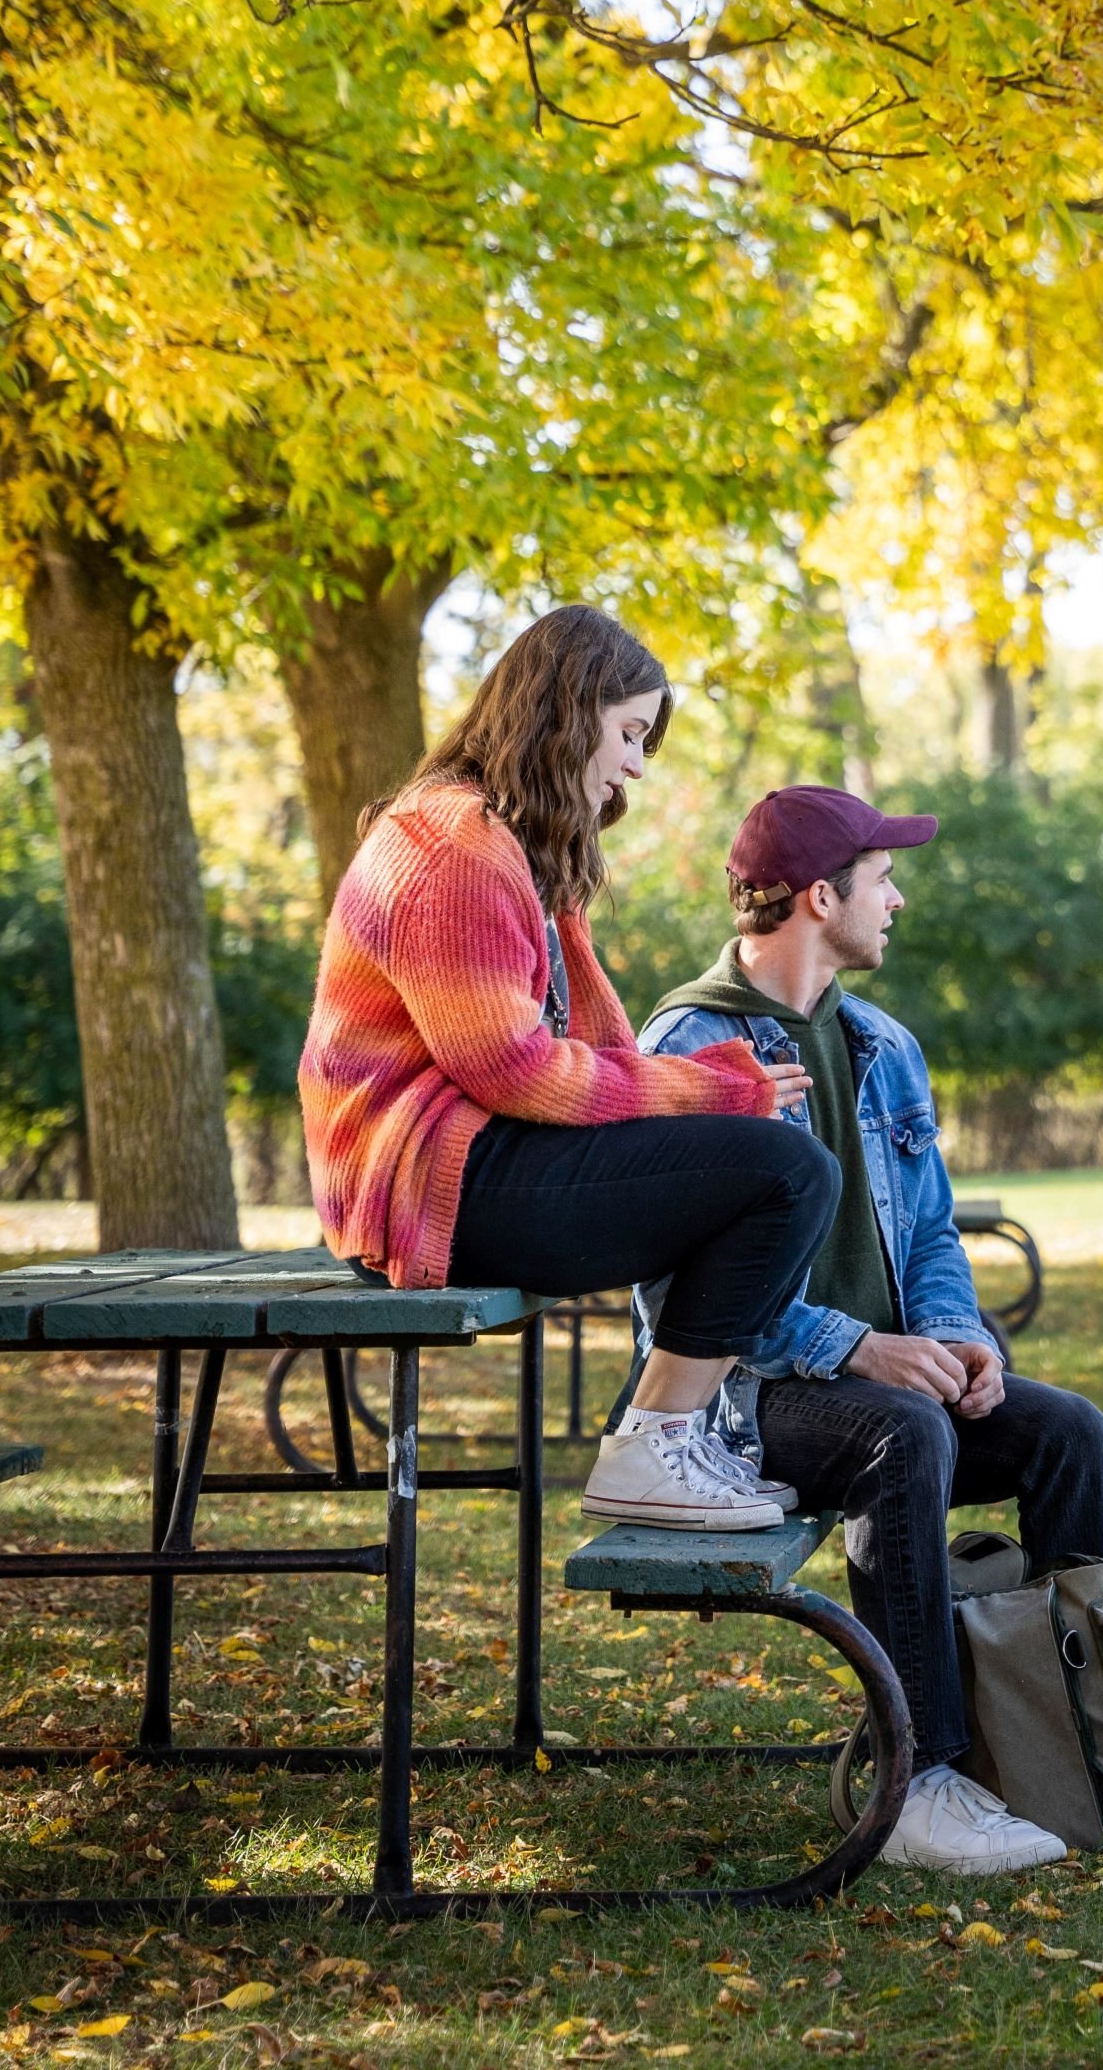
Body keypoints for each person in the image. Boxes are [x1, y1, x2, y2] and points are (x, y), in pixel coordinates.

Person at [639, 783, 1103, 1873]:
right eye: (882, 879)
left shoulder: (878, 1043)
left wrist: (962, 1341)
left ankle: (1099, 1746)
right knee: (900, 1436)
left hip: (886, 1381)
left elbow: (930, 1239)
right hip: (736, 1408)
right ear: (820, 896)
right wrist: (859, 1351)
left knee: (1066, 1431)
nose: (897, 899)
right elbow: (675, 1288)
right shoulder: (685, 1044)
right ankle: (926, 1781)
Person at [298, 607, 842, 1532]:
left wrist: (702, 1100)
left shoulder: (504, 842)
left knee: (766, 1161)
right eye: (629, 733)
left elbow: (586, 1045)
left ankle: (675, 1433)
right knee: (787, 1175)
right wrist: (705, 1087)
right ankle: (656, 1440)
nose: (636, 764)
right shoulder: (452, 851)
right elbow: (515, 1070)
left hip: (459, 1167)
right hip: (423, 1187)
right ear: (564, 710)